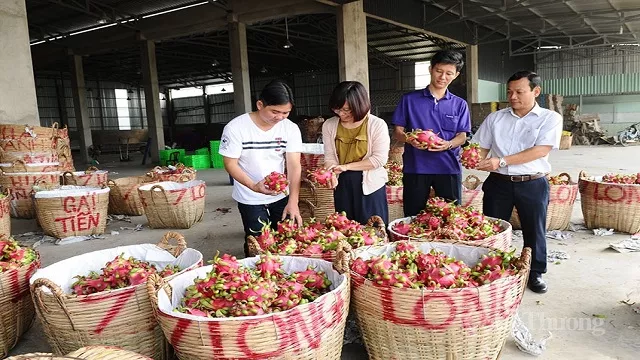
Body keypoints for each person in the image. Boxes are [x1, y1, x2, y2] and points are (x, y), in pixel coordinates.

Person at [473, 70, 562, 294]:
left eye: (519, 92)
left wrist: (500, 160)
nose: (513, 97)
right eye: (510, 92)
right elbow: (480, 146)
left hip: (532, 182)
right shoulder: (495, 118)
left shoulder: (550, 118)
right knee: (493, 229)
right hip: (498, 183)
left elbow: (540, 150)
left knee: (534, 229)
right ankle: (493, 269)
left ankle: (535, 272)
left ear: (536, 91)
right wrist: (473, 157)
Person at [219, 80, 303, 257]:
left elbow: (294, 165)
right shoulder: (236, 128)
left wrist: (293, 201)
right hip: (249, 196)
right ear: (260, 104)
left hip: (281, 195)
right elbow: (230, 163)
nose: (280, 117)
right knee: (258, 242)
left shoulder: (290, 128)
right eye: (275, 111)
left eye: (286, 113)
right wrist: (254, 186)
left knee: (286, 240)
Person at [391, 50, 471, 216]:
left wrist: (448, 144)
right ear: (430, 69)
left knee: (451, 217)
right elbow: (397, 132)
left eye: (449, 73)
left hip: (448, 167)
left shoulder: (460, 104)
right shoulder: (409, 100)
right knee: (413, 216)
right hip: (416, 167)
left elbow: (462, 136)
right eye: (439, 71)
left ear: (456, 75)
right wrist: (409, 139)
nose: (443, 77)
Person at [322, 81, 390, 225]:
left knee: (373, 231)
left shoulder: (377, 124)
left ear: (360, 105)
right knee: (346, 230)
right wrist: (331, 173)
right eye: (337, 109)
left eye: (347, 110)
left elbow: (379, 160)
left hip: (370, 185)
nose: (341, 114)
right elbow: (329, 157)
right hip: (342, 184)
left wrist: (346, 167)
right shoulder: (329, 125)